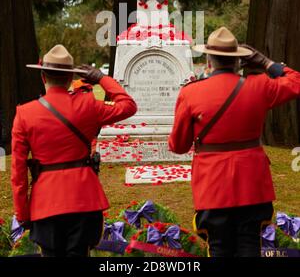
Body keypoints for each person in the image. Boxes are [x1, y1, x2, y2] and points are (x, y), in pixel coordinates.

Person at [168, 26, 300, 257]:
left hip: (212, 183)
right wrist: (267, 63)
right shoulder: (260, 86)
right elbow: (296, 82)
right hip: (252, 182)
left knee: (218, 244)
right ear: (239, 61)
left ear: (209, 59)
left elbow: (178, 146)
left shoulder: (191, 93)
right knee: (250, 242)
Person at [11, 44, 137, 257]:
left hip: (45, 202)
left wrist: (23, 213)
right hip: (84, 199)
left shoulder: (25, 114)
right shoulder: (87, 105)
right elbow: (128, 105)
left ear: (43, 77)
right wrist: (101, 78)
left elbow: (18, 172)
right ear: (70, 79)